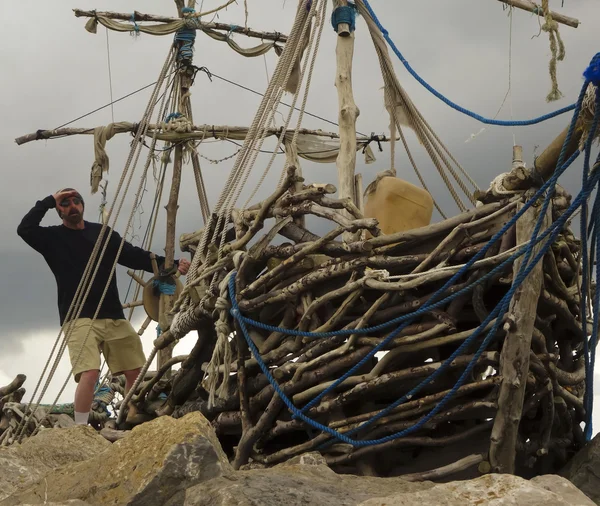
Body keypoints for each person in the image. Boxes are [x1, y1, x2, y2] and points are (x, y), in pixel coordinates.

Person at [17, 188, 190, 425]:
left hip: (112, 314)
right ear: (59, 211)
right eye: (65, 204)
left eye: (76, 201)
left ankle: (131, 419)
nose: (72, 206)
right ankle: (80, 429)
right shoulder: (52, 238)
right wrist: (49, 201)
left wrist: (167, 264)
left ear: (83, 205)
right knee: (89, 373)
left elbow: (132, 255)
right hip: (78, 316)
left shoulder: (102, 234)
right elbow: (24, 230)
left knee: (135, 370)